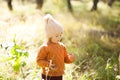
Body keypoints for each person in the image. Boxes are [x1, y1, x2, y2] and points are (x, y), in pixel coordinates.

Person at [36, 14, 75, 80]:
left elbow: (65, 59)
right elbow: (39, 61)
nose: (59, 37)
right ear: (49, 36)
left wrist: (70, 59)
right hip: (47, 75)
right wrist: (48, 65)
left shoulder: (62, 46)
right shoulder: (45, 47)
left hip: (59, 74)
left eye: (60, 35)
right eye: (57, 36)